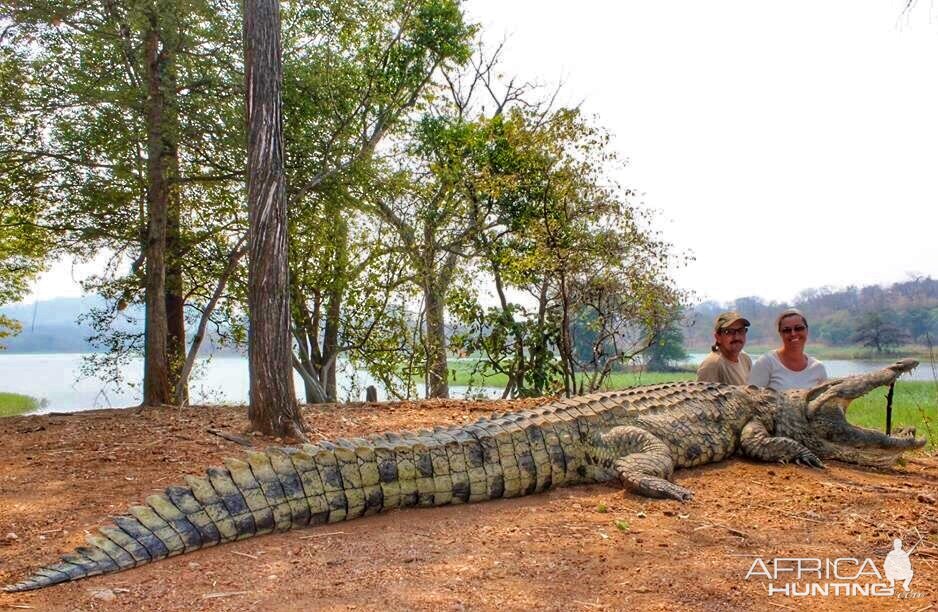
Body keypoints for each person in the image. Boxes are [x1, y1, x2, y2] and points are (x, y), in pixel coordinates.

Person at [748, 307, 827, 391]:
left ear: (806, 330)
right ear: (780, 334)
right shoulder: (766, 363)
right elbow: (750, 398)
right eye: (787, 330)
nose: (793, 333)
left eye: (798, 328)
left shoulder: (818, 368)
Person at [697, 311, 752, 385]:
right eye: (729, 332)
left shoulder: (745, 359)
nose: (737, 337)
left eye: (740, 330)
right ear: (718, 337)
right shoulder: (712, 365)